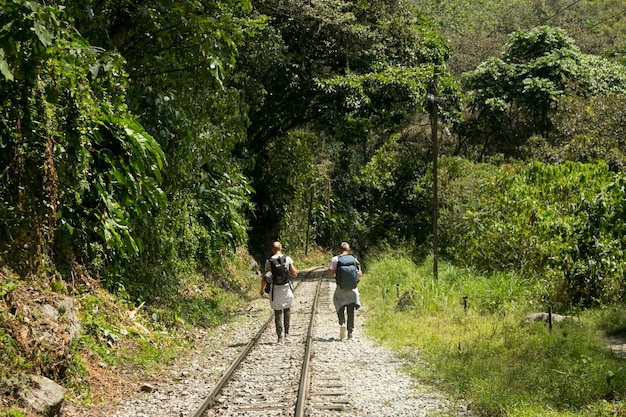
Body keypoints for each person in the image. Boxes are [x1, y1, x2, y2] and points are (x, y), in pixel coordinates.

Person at [260, 241, 298, 343]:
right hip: (286, 289)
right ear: (281, 248)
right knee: (287, 310)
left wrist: (261, 289)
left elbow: (264, 277)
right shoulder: (287, 259)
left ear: (272, 250)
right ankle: (287, 334)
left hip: (275, 290)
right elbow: (295, 274)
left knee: (277, 312)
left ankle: (279, 337)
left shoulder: (269, 261)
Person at [327, 241, 362, 340]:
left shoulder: (335, 259)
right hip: (352, 289)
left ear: (339, 250)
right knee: (351, 310)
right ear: (348, 250)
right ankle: (350, 332)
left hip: (340, 288)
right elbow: (359, 274)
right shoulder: (354, 259)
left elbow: (330, 273)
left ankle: (342, 322)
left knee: (338, 303)